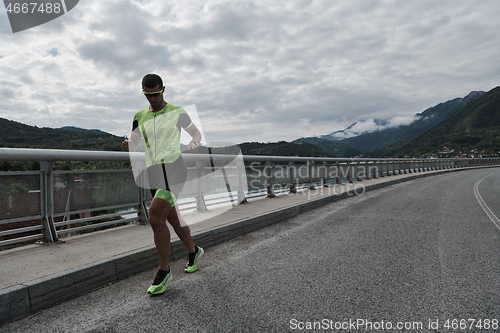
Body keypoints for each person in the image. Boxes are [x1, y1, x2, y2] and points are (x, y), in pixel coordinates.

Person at [122, 74, 204, 295]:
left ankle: (164, 270)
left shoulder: (177, 112)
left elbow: (196, 132)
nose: (152, 98)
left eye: (156, 93)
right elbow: (137, 142)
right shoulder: (139, 116)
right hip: (154, 172)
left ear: (163, 89)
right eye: (147, 94)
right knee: (172, 218)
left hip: (174, 169)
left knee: (155, 216)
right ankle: (194, 251)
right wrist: (128, 144)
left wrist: (194, 142)